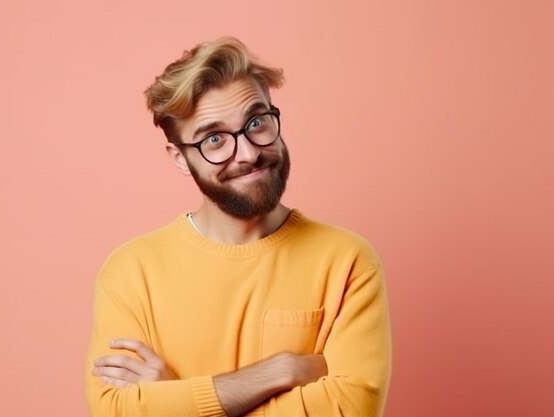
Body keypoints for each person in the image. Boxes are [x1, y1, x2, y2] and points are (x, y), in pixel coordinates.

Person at [85, 37, 391, 417]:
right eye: (214, 139)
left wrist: (174, 401)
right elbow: (114, 411)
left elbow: (352, 406)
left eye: (256, 122)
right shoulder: (130, 273)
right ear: (180, 159)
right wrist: (279, 370)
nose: (247, 153)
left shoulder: (346, 261)